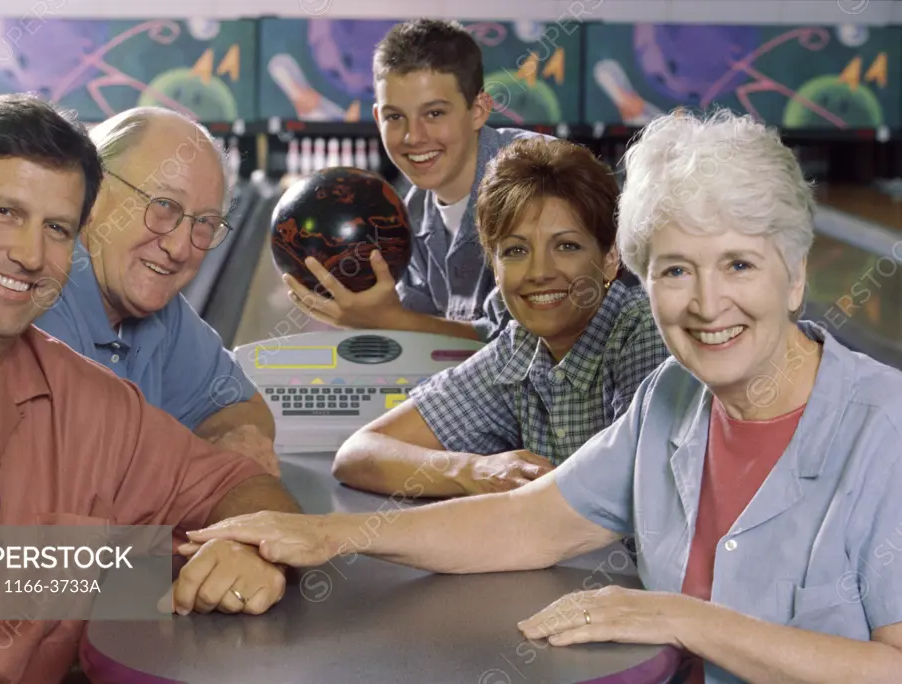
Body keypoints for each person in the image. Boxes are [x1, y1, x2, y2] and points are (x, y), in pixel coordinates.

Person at [183, 109, 902, 684]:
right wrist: (330, 536)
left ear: (796, 276)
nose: (709, 303)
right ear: (645, 282)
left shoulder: (885, 431)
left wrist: (686, 619)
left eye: (739, 264)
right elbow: (529, 522)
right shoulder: (670, 401)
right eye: (677, 271)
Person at [0, 95, 300, 684]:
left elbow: (244, 487)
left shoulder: (87, 401)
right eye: (2, 211)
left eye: (55, 228)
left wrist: (248, 548)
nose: (28, 255)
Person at [331, 138, 668, 497]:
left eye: (566, 246)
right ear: (495, 266)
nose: (539, 272)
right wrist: (476, 470)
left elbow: (628, 500)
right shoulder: (519, 351)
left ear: (610, 258)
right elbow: (358, 454)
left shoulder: (643, 331)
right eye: (516, 250)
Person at [34, 107, 279, 476]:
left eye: (205, 224)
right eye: (163, 206)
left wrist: (227, 442)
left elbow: (246, 411)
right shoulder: (34, 301)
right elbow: (86, 480)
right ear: (91, 194)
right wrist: (207, 468)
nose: (181, 248)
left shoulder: (162, 313)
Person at [284, 18, 548, 343]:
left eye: (434, 113)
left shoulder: (541, 181)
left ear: (479, 110)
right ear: (379, 118)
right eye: (395, 117)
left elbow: (530, 346)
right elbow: (426, 342)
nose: (413, 137)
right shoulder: (410, 215)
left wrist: (390, 320)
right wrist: (379, 317)